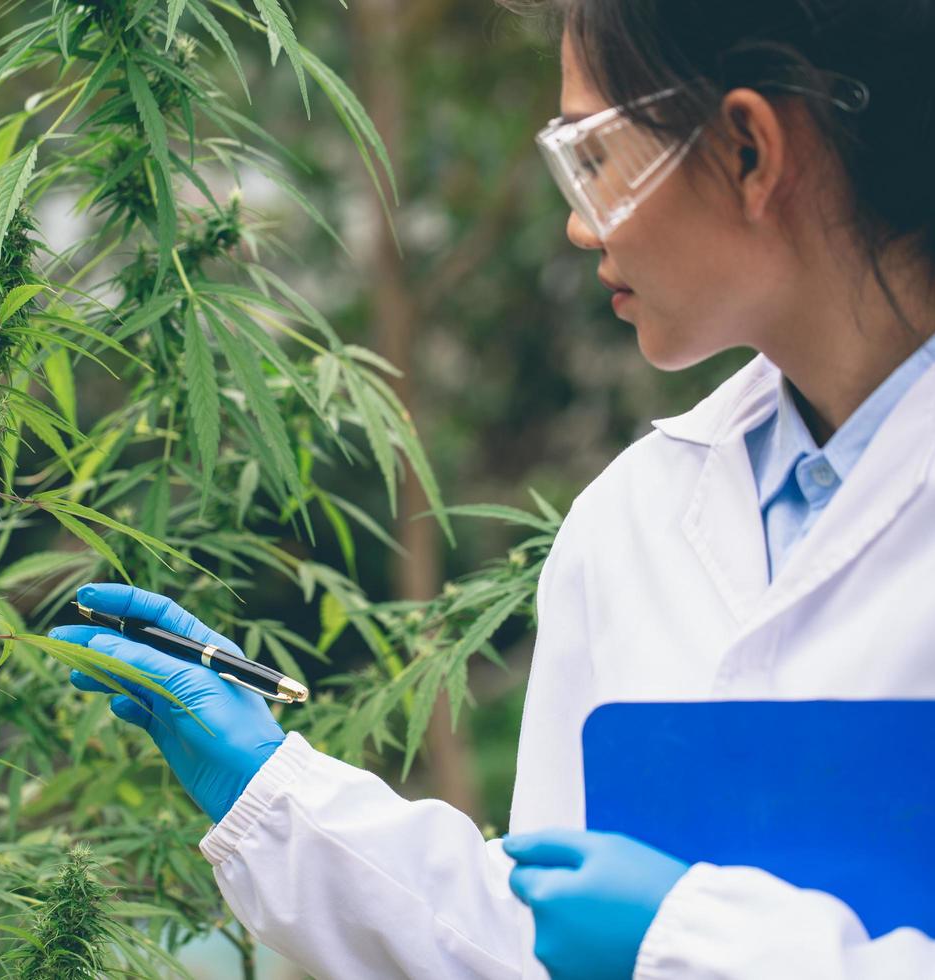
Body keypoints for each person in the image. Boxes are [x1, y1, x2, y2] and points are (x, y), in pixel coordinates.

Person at [48, 0, 935, 976]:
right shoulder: (630, 520)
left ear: (745, 147)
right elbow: (534, 939)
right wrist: (264, 784)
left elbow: (644, 943)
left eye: (593, 157)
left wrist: (685, 943)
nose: (573, 218)